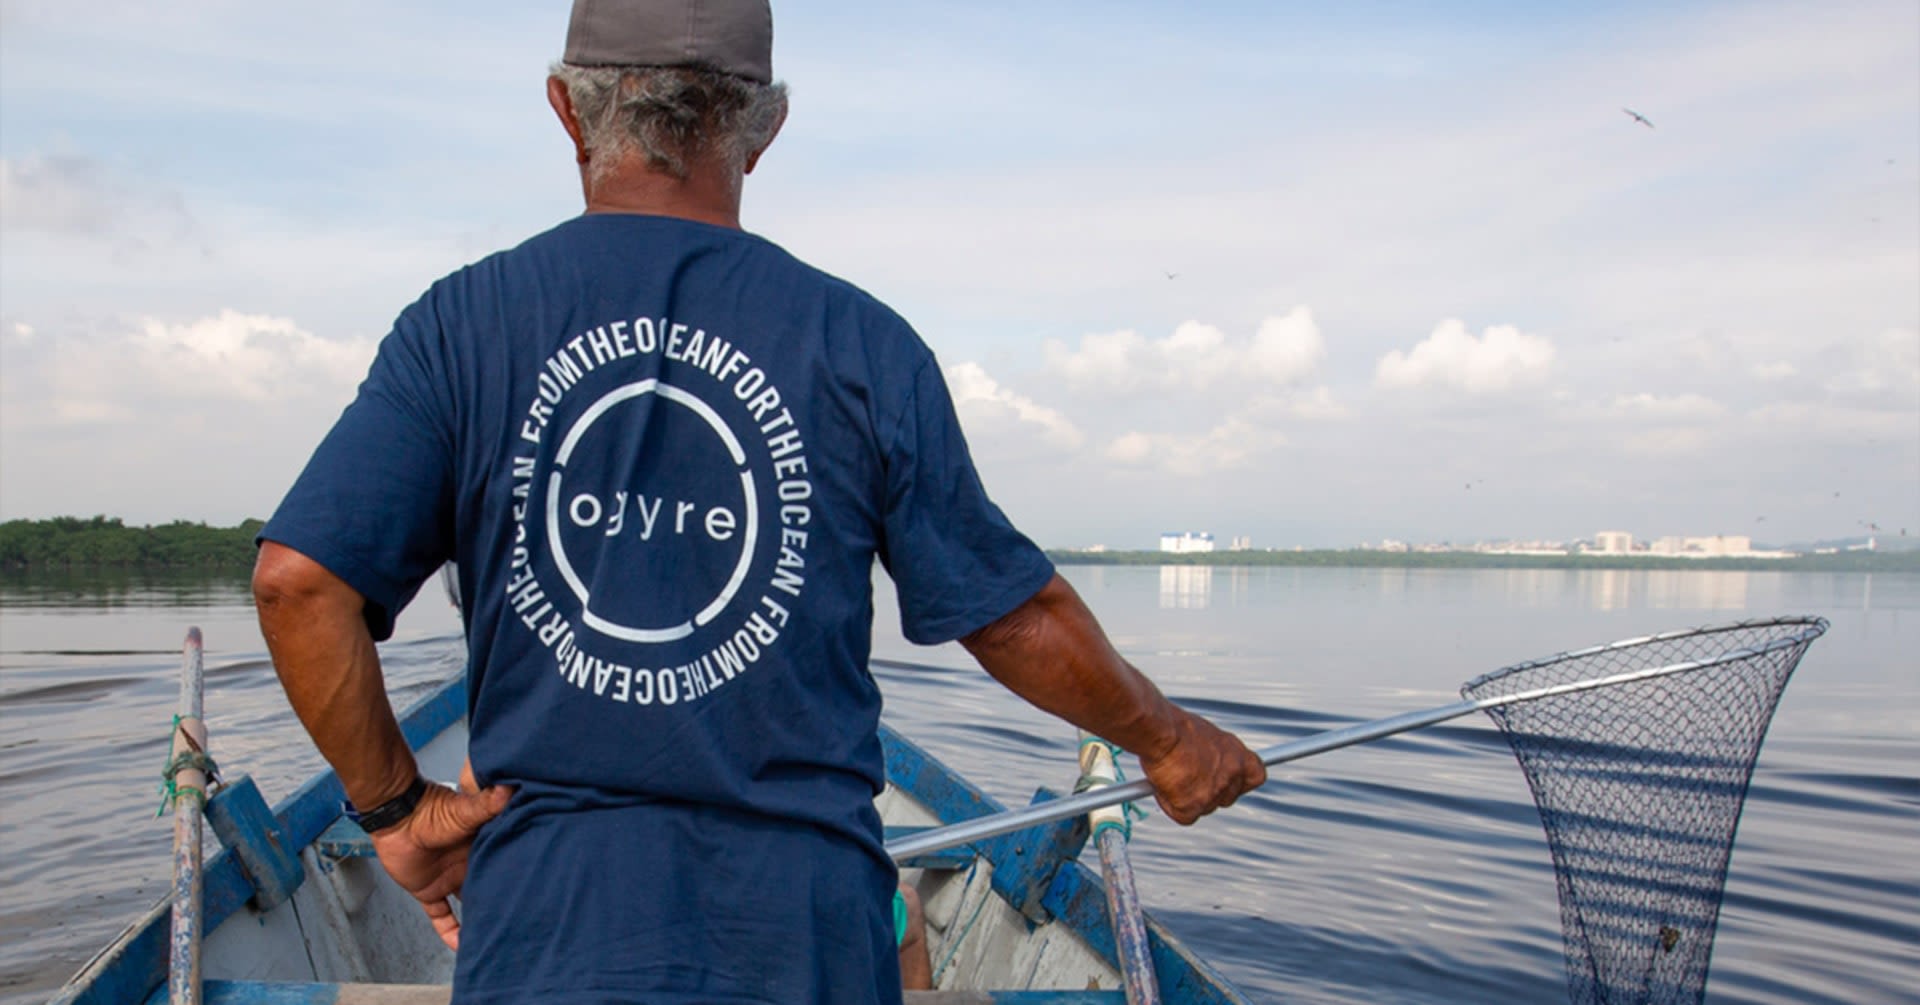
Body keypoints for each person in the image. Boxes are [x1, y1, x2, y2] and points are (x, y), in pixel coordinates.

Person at [250, 1, 1267, 1002]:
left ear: (566, 111)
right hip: (805, 940)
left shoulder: (460, 326)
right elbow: (1013, 617)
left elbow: (299, 586)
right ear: (766, 126)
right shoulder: (865, 344)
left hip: (547, 936)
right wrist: (1168, 739)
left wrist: (394, 810)